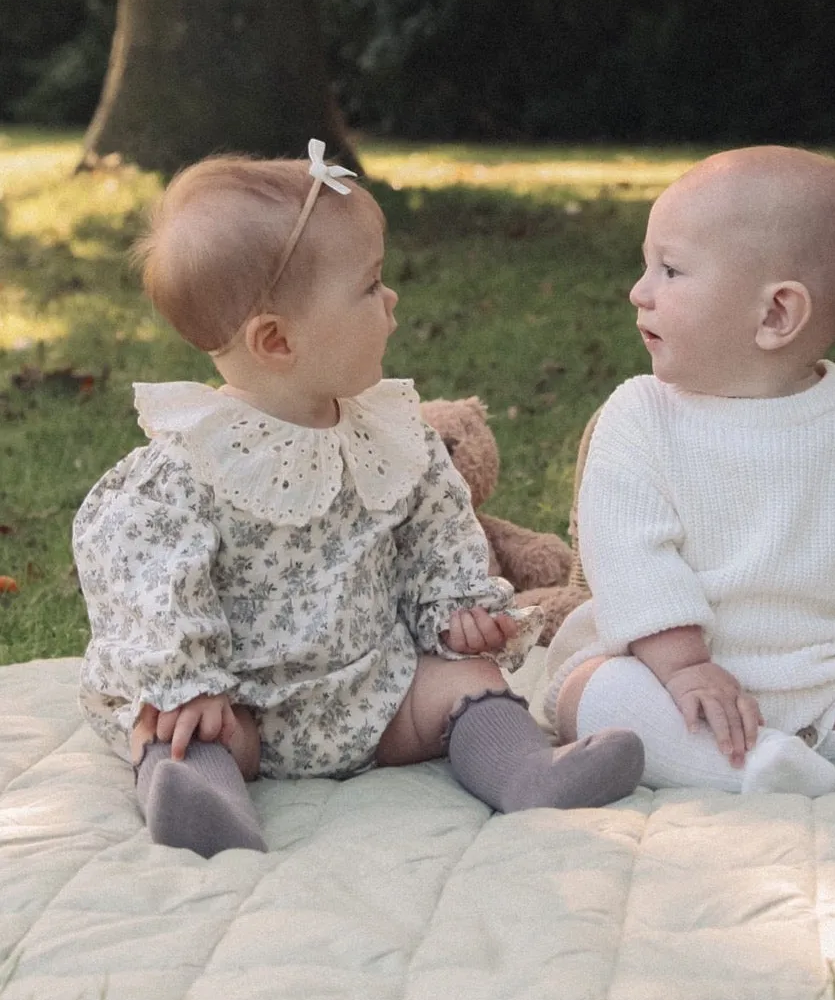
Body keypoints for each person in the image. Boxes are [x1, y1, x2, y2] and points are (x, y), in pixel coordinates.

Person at [73, 141, 643, 857]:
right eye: (370, 286)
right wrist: (187, 680)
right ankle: (200, 793)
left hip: (378, 687)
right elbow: (149, 577)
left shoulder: (390, 433)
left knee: (467, 679)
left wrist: (458, 609)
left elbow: (439, 530)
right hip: (243, 694)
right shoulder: (193, 459)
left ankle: (527, 771)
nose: (392, 298)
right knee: (178, 726)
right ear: (277, 339)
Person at [546, 145, 835, 807]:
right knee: (592, 693)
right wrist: (684, 666)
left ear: (775, 315)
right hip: (673, 675)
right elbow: (626, 554)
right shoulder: (640, 416)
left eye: (670, 270)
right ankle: (753, 763)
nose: (638, 290)